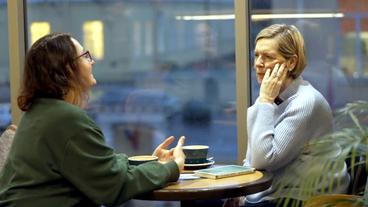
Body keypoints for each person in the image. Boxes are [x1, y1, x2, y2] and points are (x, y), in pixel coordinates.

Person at [0, 33, 186, 206]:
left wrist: (152, 164)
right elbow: (113, 187)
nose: (93, 61)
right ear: (67, 68)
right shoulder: (65, 118)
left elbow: (99, 167)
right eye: (85, 56)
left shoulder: (39, 113)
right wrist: (172, 168)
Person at [224, 24, 350, 207]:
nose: (258, 63)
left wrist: (265, 100)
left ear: (291, 62)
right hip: (278, 192)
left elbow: (263, 159)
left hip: (308, 198)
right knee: (202, 202)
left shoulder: (306, 101)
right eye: (257, 55)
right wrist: (239, 191)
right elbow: (251, 156)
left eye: (268, 57)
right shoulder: (272, 95)